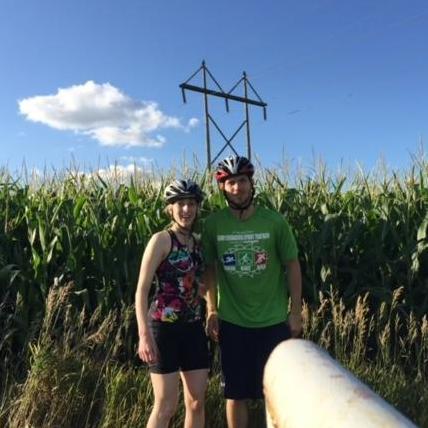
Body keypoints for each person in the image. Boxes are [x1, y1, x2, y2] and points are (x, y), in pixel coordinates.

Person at [202, 155, 302, 428]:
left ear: (251, 183)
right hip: (233, 323)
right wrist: (211, 309)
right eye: (231, 182)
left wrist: (295, 312)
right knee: (235, 394)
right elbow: (209, 270)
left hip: (273, 321)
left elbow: (292, 266)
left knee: (278, 393)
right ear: (223, 187)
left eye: (242, 181)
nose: (237, 188)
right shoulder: (213, 225)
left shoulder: (274, 222)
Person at [135, 179, 210, 428]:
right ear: (170, 208)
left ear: (198, 208)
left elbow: (204, 283)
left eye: (191, 204)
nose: (186, 210)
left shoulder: (199, 244)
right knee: (166, 405)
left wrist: (212, 311)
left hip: (193, 328)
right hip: (163, 329)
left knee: (197, 401)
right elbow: (142, 289)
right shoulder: (162, 240)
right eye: (180, 204)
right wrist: (144, 335)